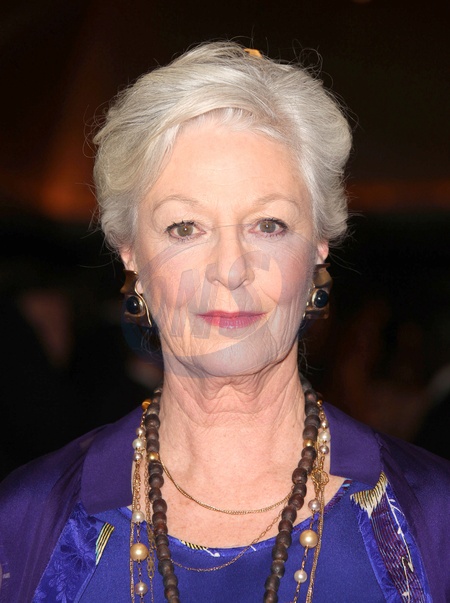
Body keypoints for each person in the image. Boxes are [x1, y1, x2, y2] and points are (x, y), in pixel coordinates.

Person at [1, 41, 449, 603]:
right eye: (185, 227)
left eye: (268, 224)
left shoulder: (431, 521)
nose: (231, 270)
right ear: (130, 252)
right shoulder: (28, 524)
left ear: (319, 244)